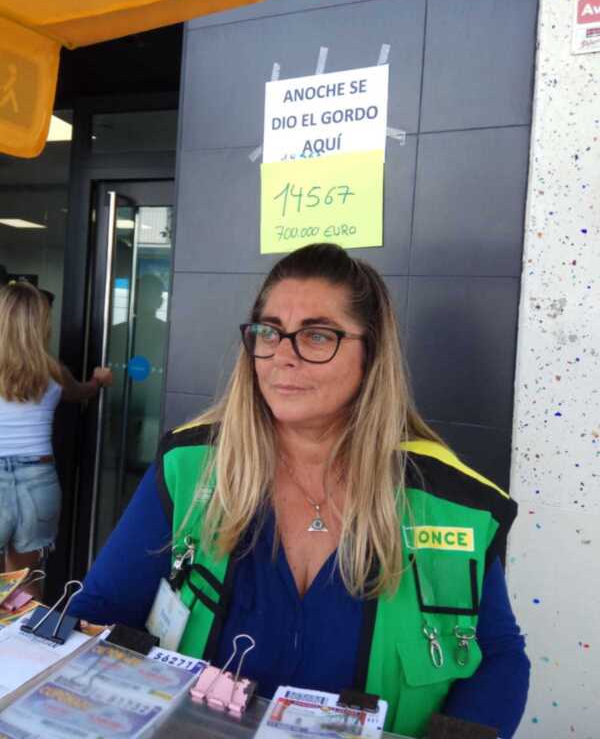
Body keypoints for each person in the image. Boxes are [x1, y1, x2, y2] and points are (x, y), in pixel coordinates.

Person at [70, 244, 529, 738]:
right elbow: (101, 609)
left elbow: (497, 656)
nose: (282, 357)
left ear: (371, 354)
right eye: (269, 332)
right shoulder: (190, 466)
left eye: (316, 336)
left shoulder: (451, 499)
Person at [0, 282, 113, 583]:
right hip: (39, 482)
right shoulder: (53, 371)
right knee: (23, 586)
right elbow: (82, 392)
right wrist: (98, 381)